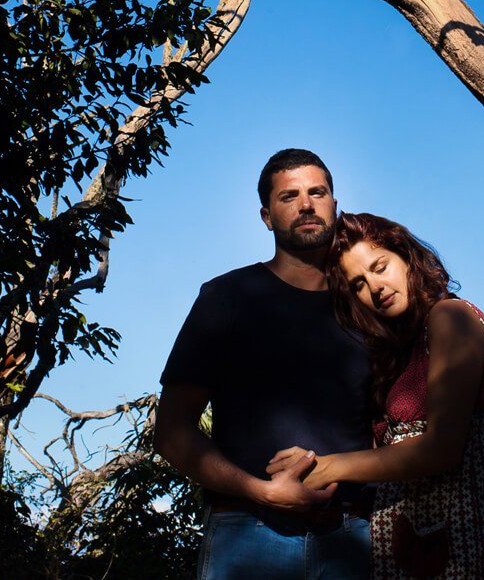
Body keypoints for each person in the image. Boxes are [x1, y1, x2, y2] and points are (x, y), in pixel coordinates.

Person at [156, 148, 375, 579]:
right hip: (249, 531)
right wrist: (263, 492)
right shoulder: (226, 297)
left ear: (335, 204)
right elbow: (171, 431)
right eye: (289, 196)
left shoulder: (368, 303)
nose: (306, 204)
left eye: (318, 192)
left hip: (354, 534)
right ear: (266, 216)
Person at [268, 212, 484, 580]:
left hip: (460, 538)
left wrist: (328, 467)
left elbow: (442, 449)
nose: (375, 286)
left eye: (380, 267)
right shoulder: (396, 354)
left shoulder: (451, 317)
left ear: (405, 256)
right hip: (400, 541)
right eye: (358, 284)